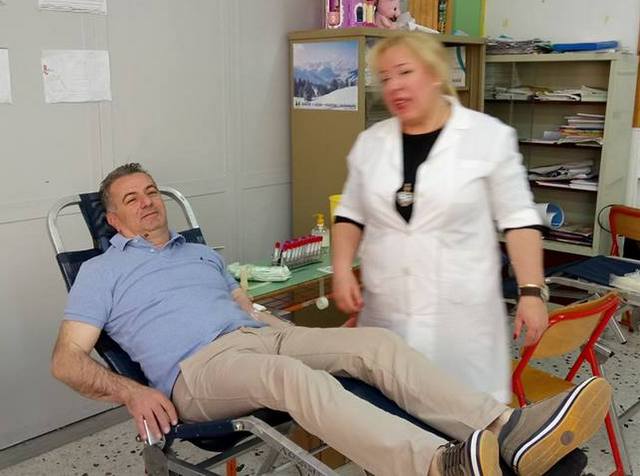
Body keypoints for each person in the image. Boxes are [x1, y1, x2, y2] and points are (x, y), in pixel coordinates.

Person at [51, 163, 609, 476]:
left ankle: (507, 431)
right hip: (197, 372)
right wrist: (131, 392)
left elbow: (244, 306)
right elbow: (67, 361)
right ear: (113, 219)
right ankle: (439, 466)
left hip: (259, 339)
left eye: (152, 191)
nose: (148, 201)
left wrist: (287, 332)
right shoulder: (101, 272)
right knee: (292, 379)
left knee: (374, 345)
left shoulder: (199, 253)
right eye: (132, 198)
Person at [332, 32, 547, 403]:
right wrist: (340, 270)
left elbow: (519, 220)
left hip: (461, 319)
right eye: (385, 78)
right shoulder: (371, 142)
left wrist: (531, 291)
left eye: (404, 72)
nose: (394, 86)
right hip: (387, 311)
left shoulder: (488, 137)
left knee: (467, 417)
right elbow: (350, 215)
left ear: (434, 74)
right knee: (388, 416)